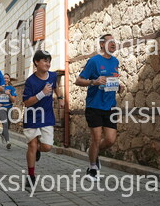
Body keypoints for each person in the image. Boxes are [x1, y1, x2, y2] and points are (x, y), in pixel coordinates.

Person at [74, 34, 122, 180]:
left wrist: (119, 86)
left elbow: (112, 81)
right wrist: (94, 82)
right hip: (94, 105)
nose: (113, 44)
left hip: (110, 106)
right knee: (96, 138)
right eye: (110, 41)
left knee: (110, 140)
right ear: (102, 44)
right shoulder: (94, 61)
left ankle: (92, 151)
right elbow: (78, 80)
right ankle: (92, 168)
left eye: (114, 41)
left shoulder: (115, 62)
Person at [23, 50, 64, 187]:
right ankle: (31, 176)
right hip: (32, 117)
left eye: (49, 61)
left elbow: (55, 86)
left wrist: (60, 98)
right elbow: (26, 102)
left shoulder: (52, 76)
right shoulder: (30, 81)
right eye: (45, 61)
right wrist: (42, 93)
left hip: (46, 116)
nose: (48, 64)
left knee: (47, 146)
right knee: (32, 145)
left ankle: (37, 151)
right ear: (36, 62)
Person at [0, 73, 17, 149]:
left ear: (9, 80)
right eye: (4, 78)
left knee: (8, 125)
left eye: (7, 78)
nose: (5, 79)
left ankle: (3, 134)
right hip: (0, 108)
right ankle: (8, 142)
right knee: (5, 123)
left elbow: (13, 100)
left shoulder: (11, 88)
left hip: (9, 108)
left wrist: (9, 95)